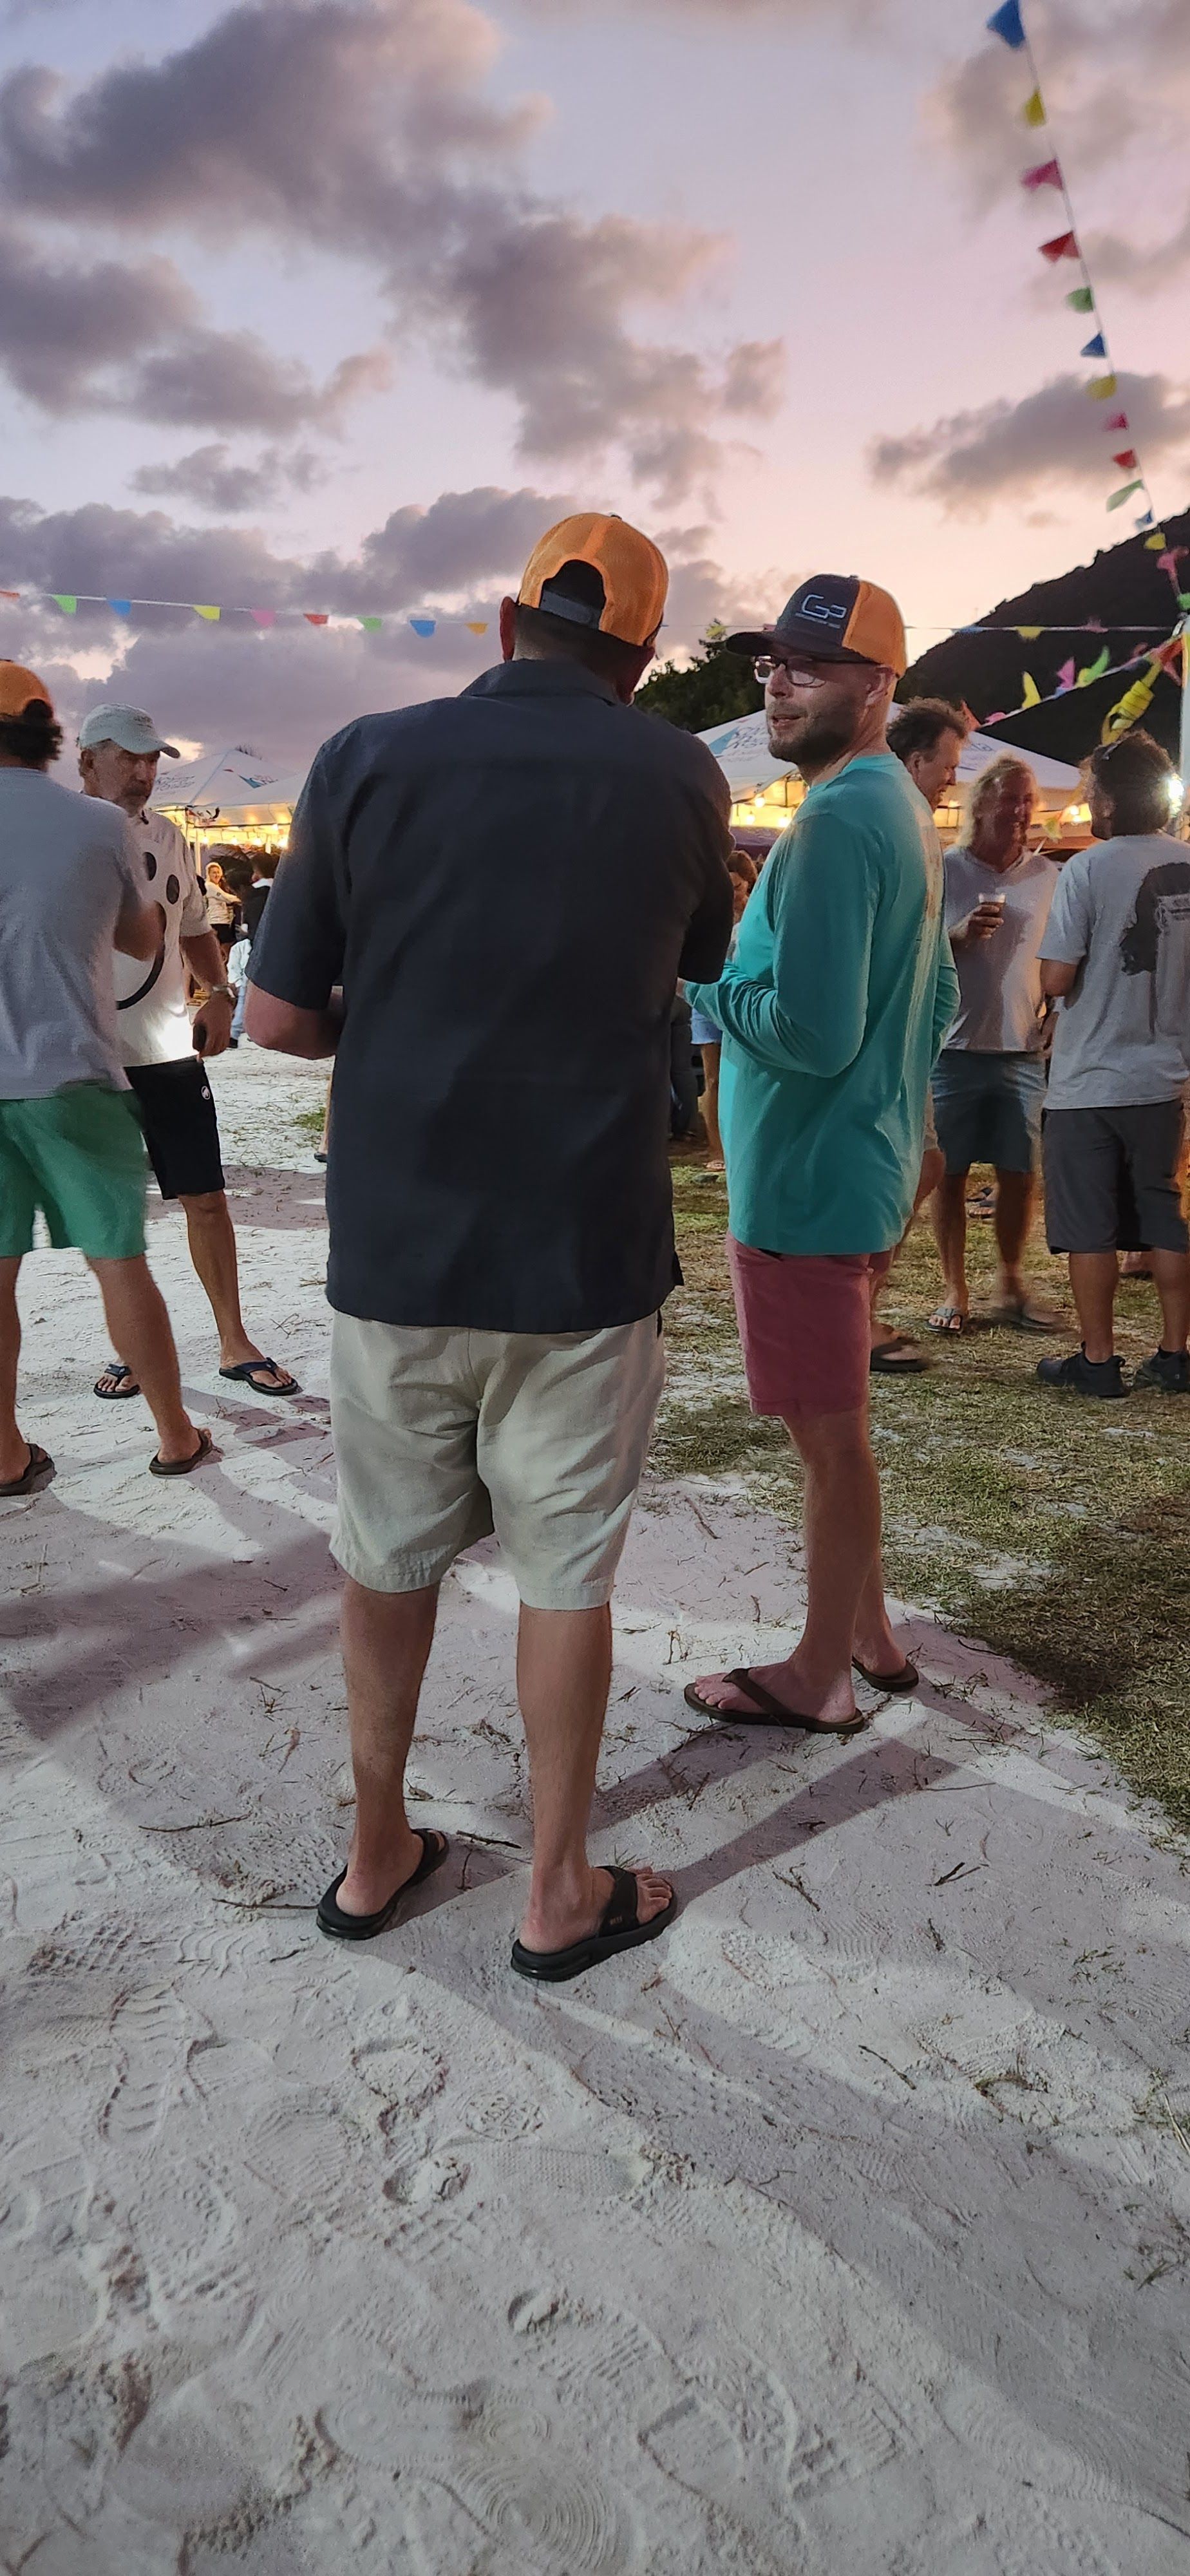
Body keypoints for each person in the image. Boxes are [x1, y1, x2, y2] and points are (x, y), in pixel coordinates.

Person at [246, 513, 733, 1980]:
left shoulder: (364, 756)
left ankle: (375, 1851)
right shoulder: (682, 774)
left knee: (385, 1558)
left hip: (399, 1246)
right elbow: (695, 965)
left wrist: (393, 1018)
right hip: (583, 1253)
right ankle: (558, 1890)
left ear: (505, 622)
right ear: (640, 659)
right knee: (564, 1573)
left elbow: (275, 1017)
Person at [680, 573, 959, 1735]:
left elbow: (811, 1033)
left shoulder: (839, 820)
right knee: (835, 1429)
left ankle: (817, 1677)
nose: (779, 685)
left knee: (829, 1443)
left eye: (809, 665)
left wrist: (702, 980)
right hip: (859, 1166)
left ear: (877, 685)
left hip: (804, 1182)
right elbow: (938, 998)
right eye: (772, 664)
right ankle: (869, 1634)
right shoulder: (896, 803)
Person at [0, 662, 211, 1489]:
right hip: (76, 1076)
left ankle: (6, 1453)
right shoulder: (96, 825)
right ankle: (176, 1436)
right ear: (54, 737)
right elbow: (140, 938)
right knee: (119, 1261)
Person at [78, 707, 300, 1403]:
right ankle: (133, 1346)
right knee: (114, 1214)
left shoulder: (169, 837)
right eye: (127, 757)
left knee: (206, 1197)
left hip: (168, 1052)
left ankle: (234, 1340)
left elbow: (197, 927)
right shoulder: (62, 835)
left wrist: (221, 994)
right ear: (86, 761)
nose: (143, 772)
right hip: (90, 1059)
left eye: (151, 759)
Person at [1037, 730, 1190, 1397]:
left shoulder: (1088, 869)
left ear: (1109, 800)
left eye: (1090, 792)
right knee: (1164, 1216)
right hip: (1164, 1076)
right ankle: (1176, 1353)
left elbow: (1055, 977)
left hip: (1090, 1076)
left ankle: (1098, 1360)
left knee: (1089, 1225)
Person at [929, 754, 1059, 1335]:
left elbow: (1065, 955)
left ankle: (1010, 1282)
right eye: (1010, 798)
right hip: (951, 1048)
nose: (1021, 811)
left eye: (1028, 800)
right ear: (981, 803)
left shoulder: (1048, 876)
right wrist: (955, 937)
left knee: (1019, 1172)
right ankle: (954, 1287)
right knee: (949, 1173)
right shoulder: (944, 869)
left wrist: (1059, 1012)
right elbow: (910, 948)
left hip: (1022, 1048)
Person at [869, 697, 971, 1370]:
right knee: (902, 1170)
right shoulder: (886, 827)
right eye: (947, 766)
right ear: (914, 761)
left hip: (908, 1040)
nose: (952, 782)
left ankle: (858, 1306)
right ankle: (854, 1312)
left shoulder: (916, 831)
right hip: (883, 1041)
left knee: (924, 1166)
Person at [691, 846, 758, 1177]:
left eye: (737, 888)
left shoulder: (757, 916)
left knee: (742, 1075)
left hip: (741, 997)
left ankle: (741, 1147)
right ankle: (717, 1151)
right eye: (727, 888)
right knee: (714, 1078)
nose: (733, 895)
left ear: (748, 883)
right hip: (707, 997)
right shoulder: (709, 912)